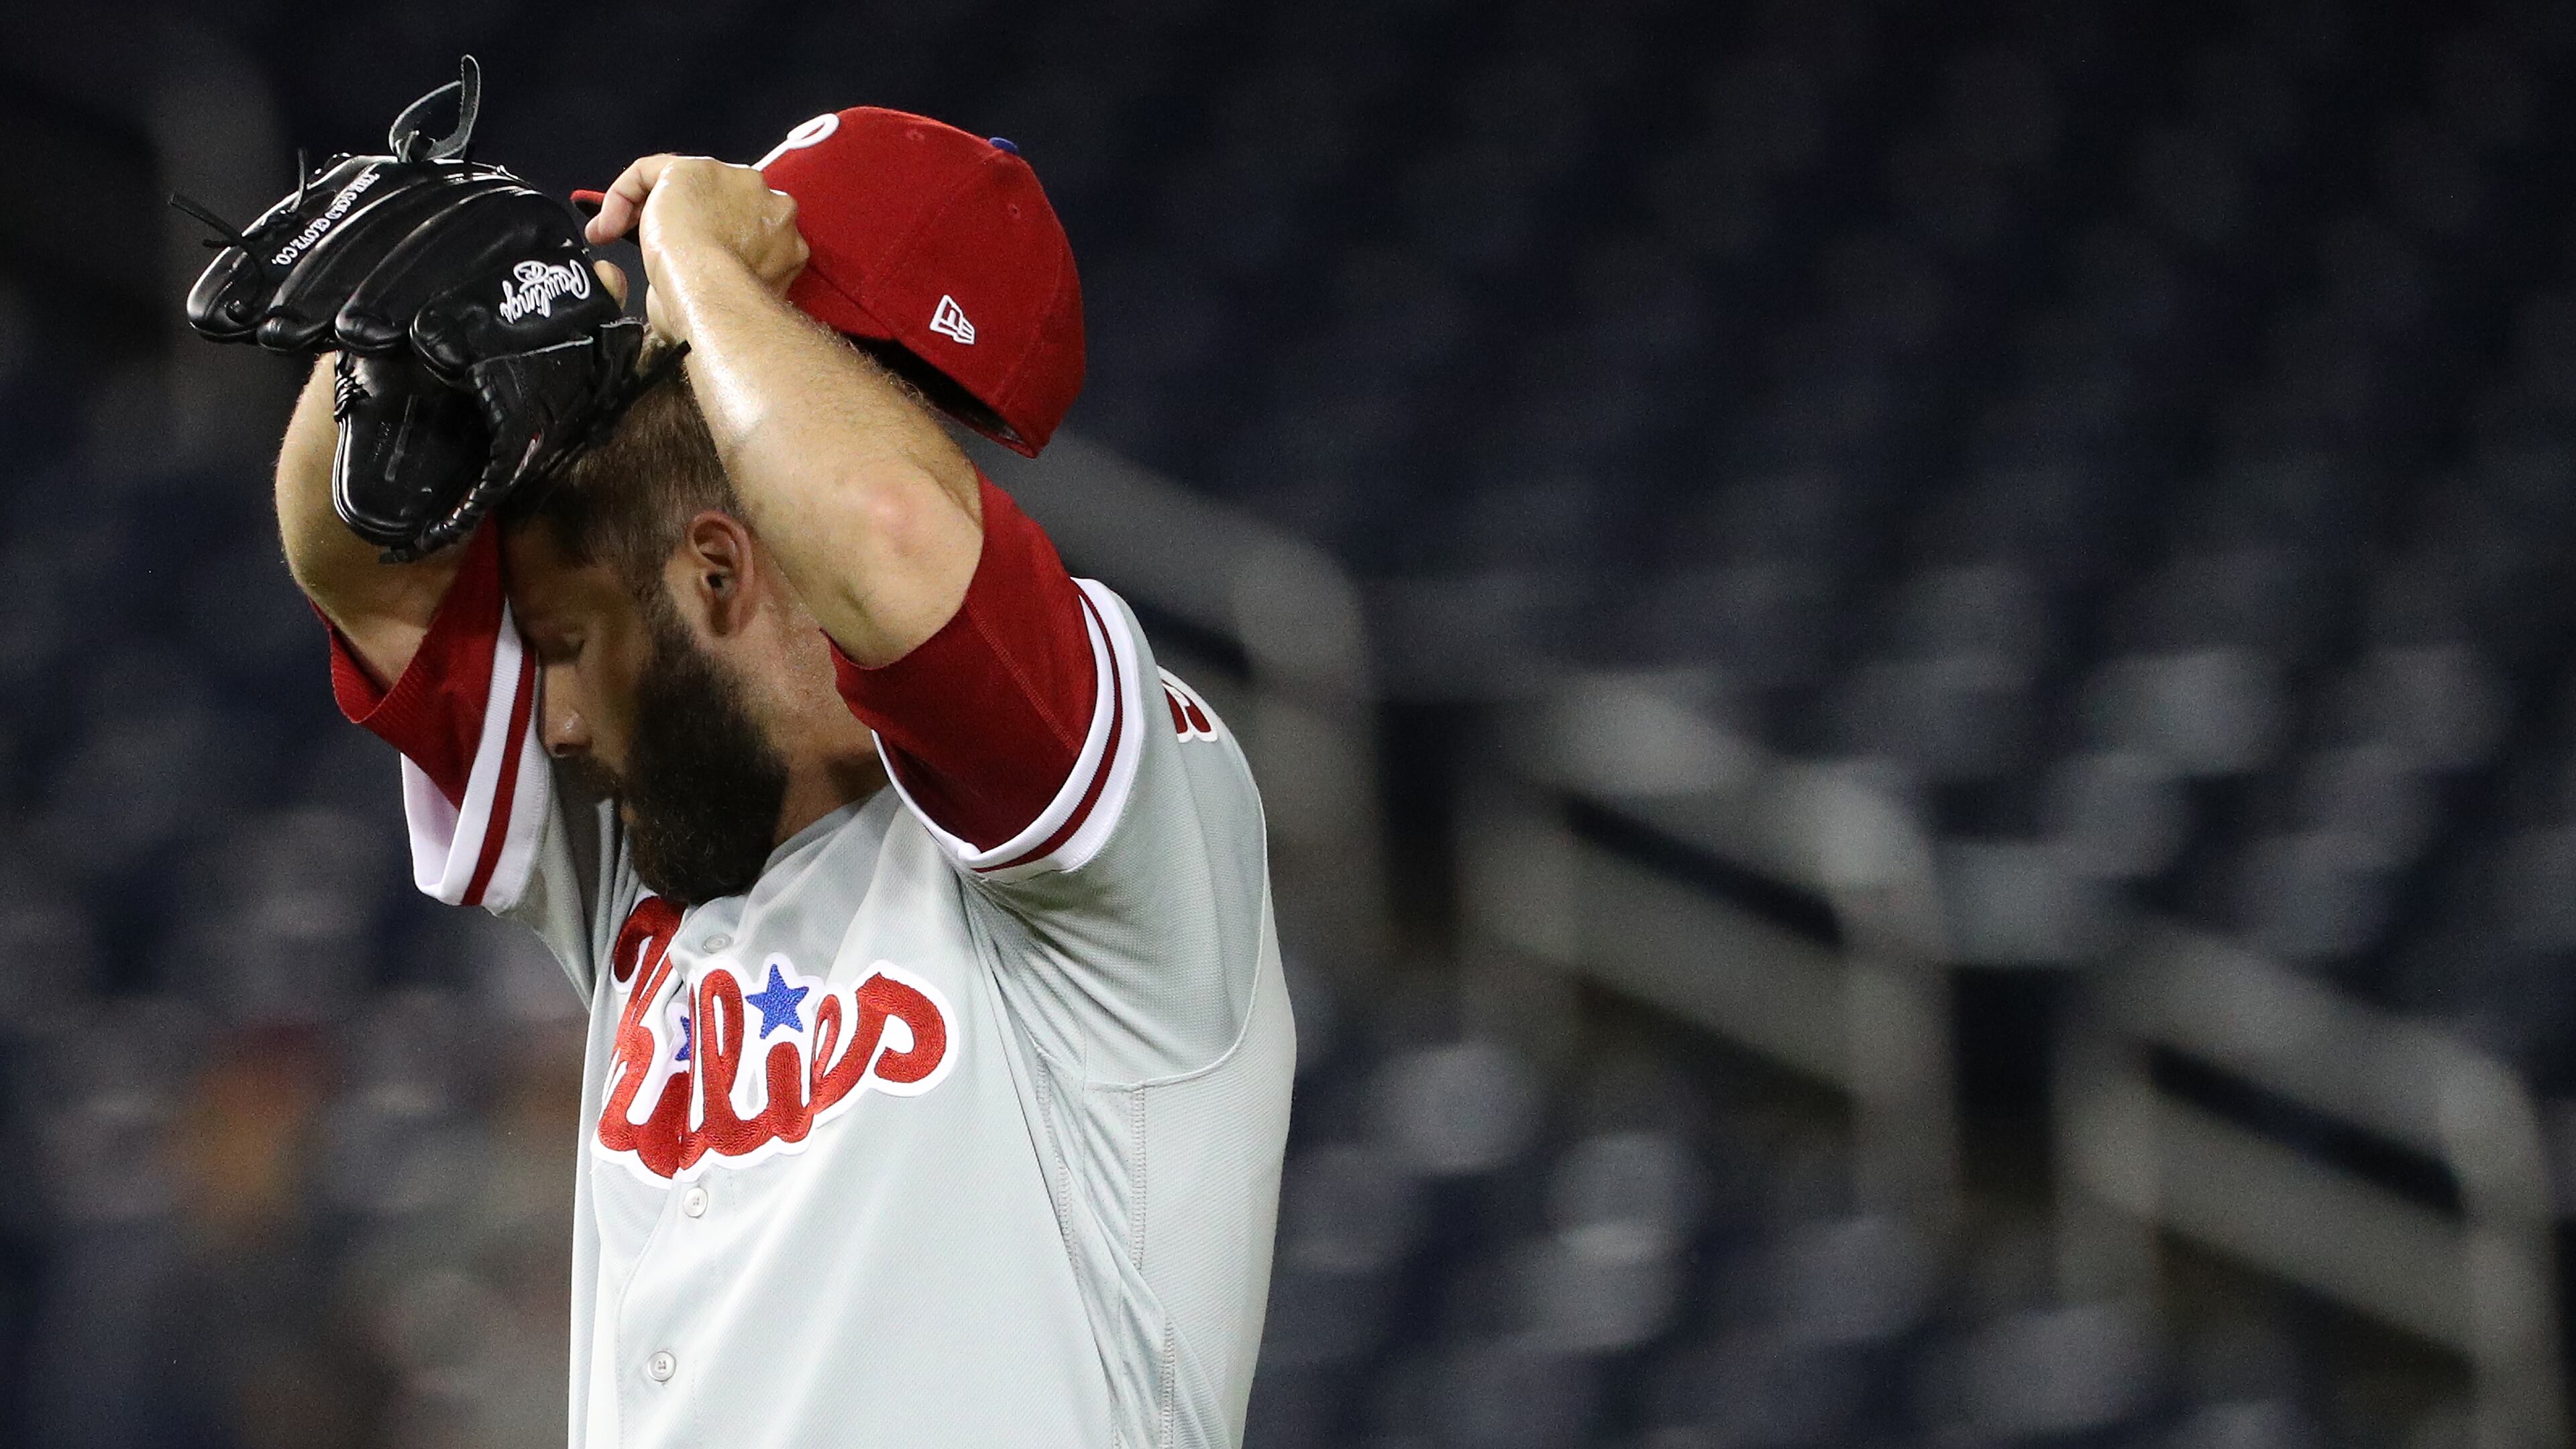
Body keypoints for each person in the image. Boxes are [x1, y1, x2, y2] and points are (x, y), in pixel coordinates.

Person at [266, 106, 1293, 1448]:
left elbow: (885, 533)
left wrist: (696, 258)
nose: (559, 721)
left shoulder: (1125, 784)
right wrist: (383, 357)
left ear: (720, 563)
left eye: (566, 648)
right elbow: (359, 565)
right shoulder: (667, 809)